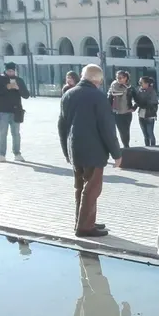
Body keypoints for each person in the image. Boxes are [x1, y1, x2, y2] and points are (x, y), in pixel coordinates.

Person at [58, 64, 122, 238]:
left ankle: (83, 220)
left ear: (82, 76)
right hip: (94, 151)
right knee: (92, 188)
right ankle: (85, 227)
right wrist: (117, 154)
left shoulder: (68, 94)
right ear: (98, 80)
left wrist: (66, 151)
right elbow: (107, 128)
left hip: (75, 149)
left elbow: (62, 126)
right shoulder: (98, 97)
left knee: (80, 187)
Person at [0, 62, 29, 163]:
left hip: (16, 111)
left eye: (12, 71)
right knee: (2, 133)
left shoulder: (19, 80)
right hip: (2, 111)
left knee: (16, 133)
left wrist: (18, 88)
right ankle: (1, 154)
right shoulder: (0, 79)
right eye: (9, 71)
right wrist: (7, 87)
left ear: (15, 70)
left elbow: (26, 95)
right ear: (5, 70)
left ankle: (17, 153)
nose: (10, 73)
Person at [107, 70, 136, 149]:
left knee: (126, 131)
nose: (118, 79)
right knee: (122, 131)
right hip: (117, 113)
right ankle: (126, 146)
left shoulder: (130, 88)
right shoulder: (113, 86)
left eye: (120, 78)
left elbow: (138, 98)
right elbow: (109, 99)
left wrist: (134, 108)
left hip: (127, 113)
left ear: (125, 78)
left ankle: (126, 145)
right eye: (117, 78)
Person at [134, 76, 159, 147]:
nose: (140, 84)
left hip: (149, 115)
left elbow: (153, 103)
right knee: (145, 135)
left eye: (141, 82)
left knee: (150, 133)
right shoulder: (139, 90)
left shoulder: (152, 91)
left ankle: (154, 148)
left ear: (147, 83)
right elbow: (137, 101)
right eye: (139, 82)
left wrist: (142, 104)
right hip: (141, 115)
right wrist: (134, 107)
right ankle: (147, 147)